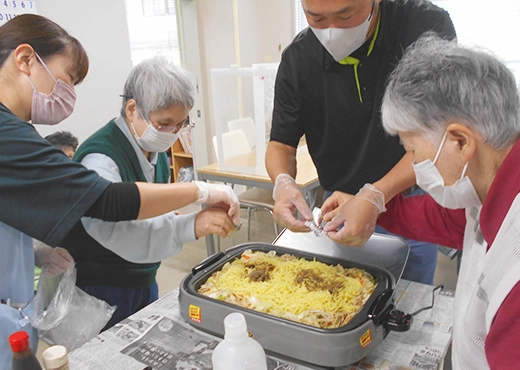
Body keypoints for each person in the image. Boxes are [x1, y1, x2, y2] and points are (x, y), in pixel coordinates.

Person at [0, 14, 239, 367]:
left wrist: (36, 252)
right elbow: (108, 202)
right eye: (66, 80)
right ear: (25, 60)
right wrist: (197, 194)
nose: (69, 96)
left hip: (37, 298)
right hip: (100, 287)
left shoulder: (18, 133)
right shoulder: (21, 139)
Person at [324, 35, 520, 368]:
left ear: (459, 141)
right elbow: (442, 219)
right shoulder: (489, 188)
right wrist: (370, 205)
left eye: (413, 150)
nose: (413, 164)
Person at [266, 0, 456, 284]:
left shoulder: (422, 27)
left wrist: (376, 195)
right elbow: (281, 142)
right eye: (316, 18)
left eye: (346, 15)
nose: (332, 30)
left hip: (410, 199)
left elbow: (437, 135)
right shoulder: (298, 59)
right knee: (342, 296)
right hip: (338, 206)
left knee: (408, 299)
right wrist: (283, 182)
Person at [63, 57, 232, 329]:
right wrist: (189, 224)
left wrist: (168, 215)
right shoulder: (100, 158)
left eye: (181, 124)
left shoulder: (154, 150)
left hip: (144, 274)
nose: (173, 133)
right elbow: (119, 230)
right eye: (165, 123)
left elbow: (150, 206)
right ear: (132, 109)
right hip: (103, 287)